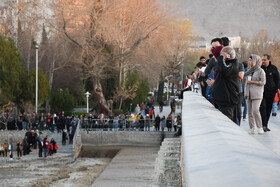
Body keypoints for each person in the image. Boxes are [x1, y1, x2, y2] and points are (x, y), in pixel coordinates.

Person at [210, 46, 239, 123]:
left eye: (222, 55)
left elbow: (223, 70)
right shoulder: (225, 64)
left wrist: (221, 58)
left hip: (227, 100)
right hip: (220, 99)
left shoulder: (233, 65)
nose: (220, 57)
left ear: (229, 55)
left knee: (227, 122)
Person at [244, 55, 266, 134]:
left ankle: (260, 127)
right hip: (248, 93)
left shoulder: (261, 71)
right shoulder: (248, 70)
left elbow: (263, 82)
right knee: (249, 112)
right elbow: (244, 81)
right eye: (249, 60)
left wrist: (253, 82)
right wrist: (244, 76)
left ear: (256, 61)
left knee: (255, 110)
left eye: (251, 60)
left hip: (257, 94)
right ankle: (251, 128)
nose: (249, 62)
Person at [260, 54, 279, 131]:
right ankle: (262, 124)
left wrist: (275, 90)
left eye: (264, 60)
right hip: (261, 92)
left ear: (269, 60)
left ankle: (265, 124)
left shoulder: (274, 69)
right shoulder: (260, 68)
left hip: (271, 93)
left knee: (268, 109)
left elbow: (277, 80)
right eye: (262, 60)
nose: (263, 61)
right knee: (262, 108)